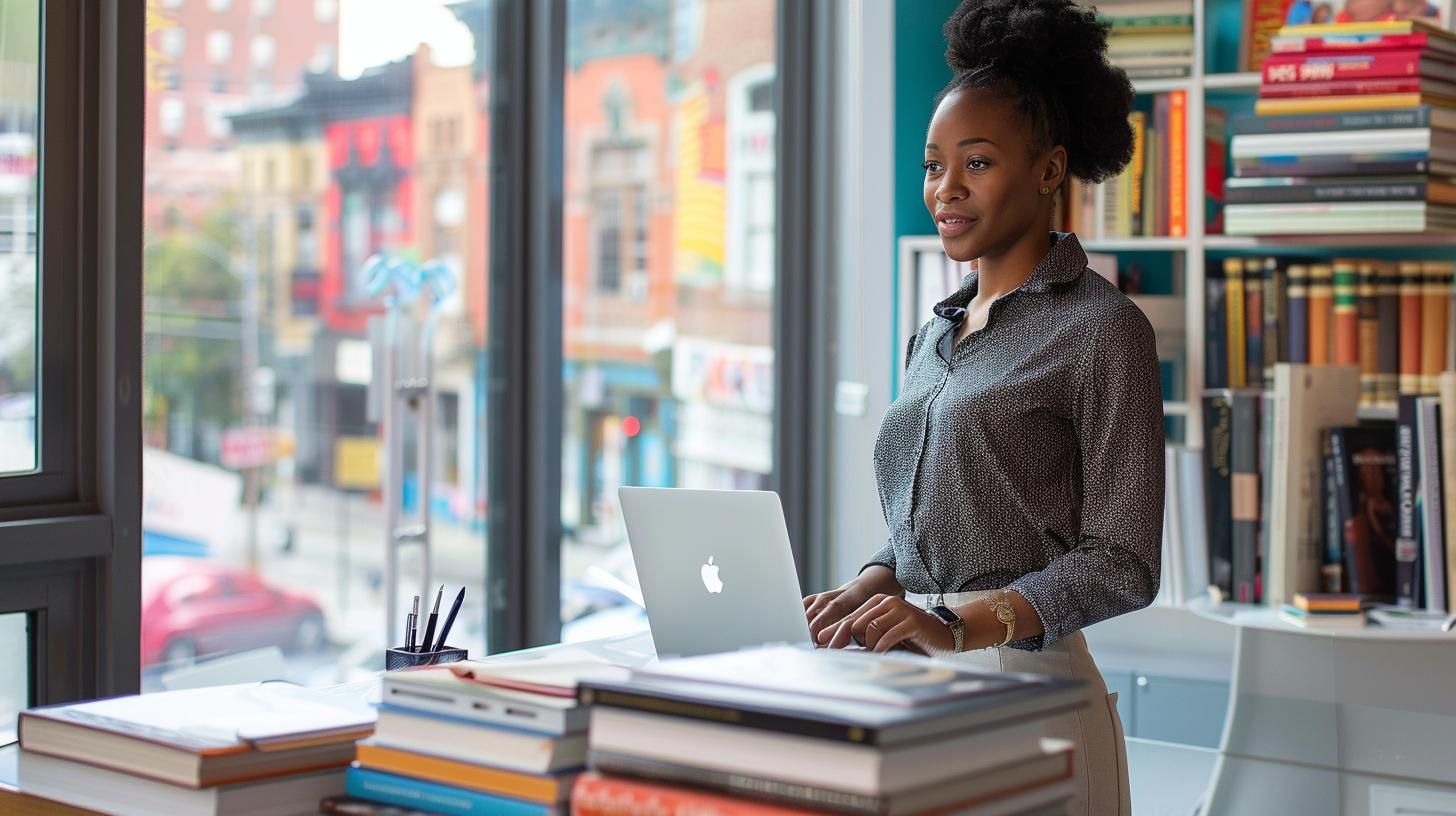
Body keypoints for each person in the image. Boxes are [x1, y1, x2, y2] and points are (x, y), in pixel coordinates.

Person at [801, 0, 1164, 813]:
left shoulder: (1106, 330)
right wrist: (868, 587)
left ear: (1047, 170)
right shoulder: (934, 335)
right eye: (934, 165)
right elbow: (933, 524)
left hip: (1027, 687)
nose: (946, 189)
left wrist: (961, 624)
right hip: (913, 679)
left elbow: (1124, 562)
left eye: (977, 162)